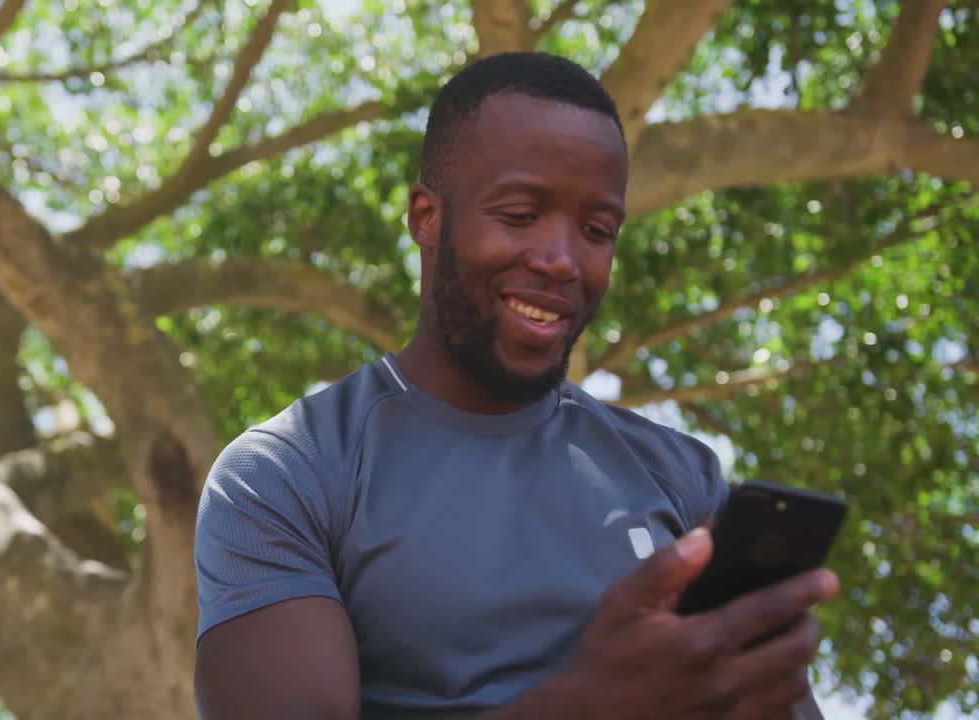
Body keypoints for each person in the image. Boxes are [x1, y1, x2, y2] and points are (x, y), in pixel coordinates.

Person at [192, 52, 838, 719]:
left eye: (596, 231)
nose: (560, 260)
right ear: (425, 217)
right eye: (521, 215)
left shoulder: (679, 474)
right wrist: (591, 705)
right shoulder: (288, 473)